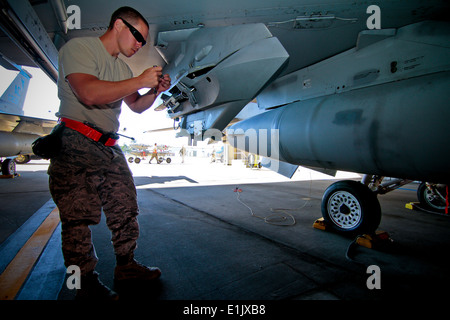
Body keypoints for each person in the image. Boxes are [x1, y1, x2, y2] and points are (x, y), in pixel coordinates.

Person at [48, 6, 171, 300]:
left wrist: (155, 92)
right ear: (118, 25)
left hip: (109, 147)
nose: (140, 45)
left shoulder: (122, 69)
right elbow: (88, 93)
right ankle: (83, 284)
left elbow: (137, 106)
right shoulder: (79, 48)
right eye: (138, 37)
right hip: (77, 141)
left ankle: (126, 266)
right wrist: (141, 81)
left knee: (125, 208)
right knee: (78, 219)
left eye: (143, 41)